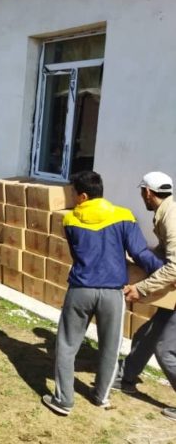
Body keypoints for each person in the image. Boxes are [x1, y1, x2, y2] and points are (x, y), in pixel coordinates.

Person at [42, 170, 163, 416]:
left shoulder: (70, 220)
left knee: (67, 345)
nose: (72, 198)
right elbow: (140, 254)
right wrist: (166, 274)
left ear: (84, 196)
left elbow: (76, 254)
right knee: (110, 348)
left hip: (81, 290)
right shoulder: (124, 216)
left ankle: (63, 400)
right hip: (112, 293)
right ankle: (101, 396)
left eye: (74, 193)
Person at [114, 171, 176, 421]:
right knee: (146, 336)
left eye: (142, 193)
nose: (142, 197)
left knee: (165, 349)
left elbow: (174, 267)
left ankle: (126, 376)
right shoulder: (165, 213)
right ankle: (126, 378)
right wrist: (139, 258)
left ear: (148, 192)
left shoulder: (171, 218)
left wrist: (141, 288)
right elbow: (164, 252)